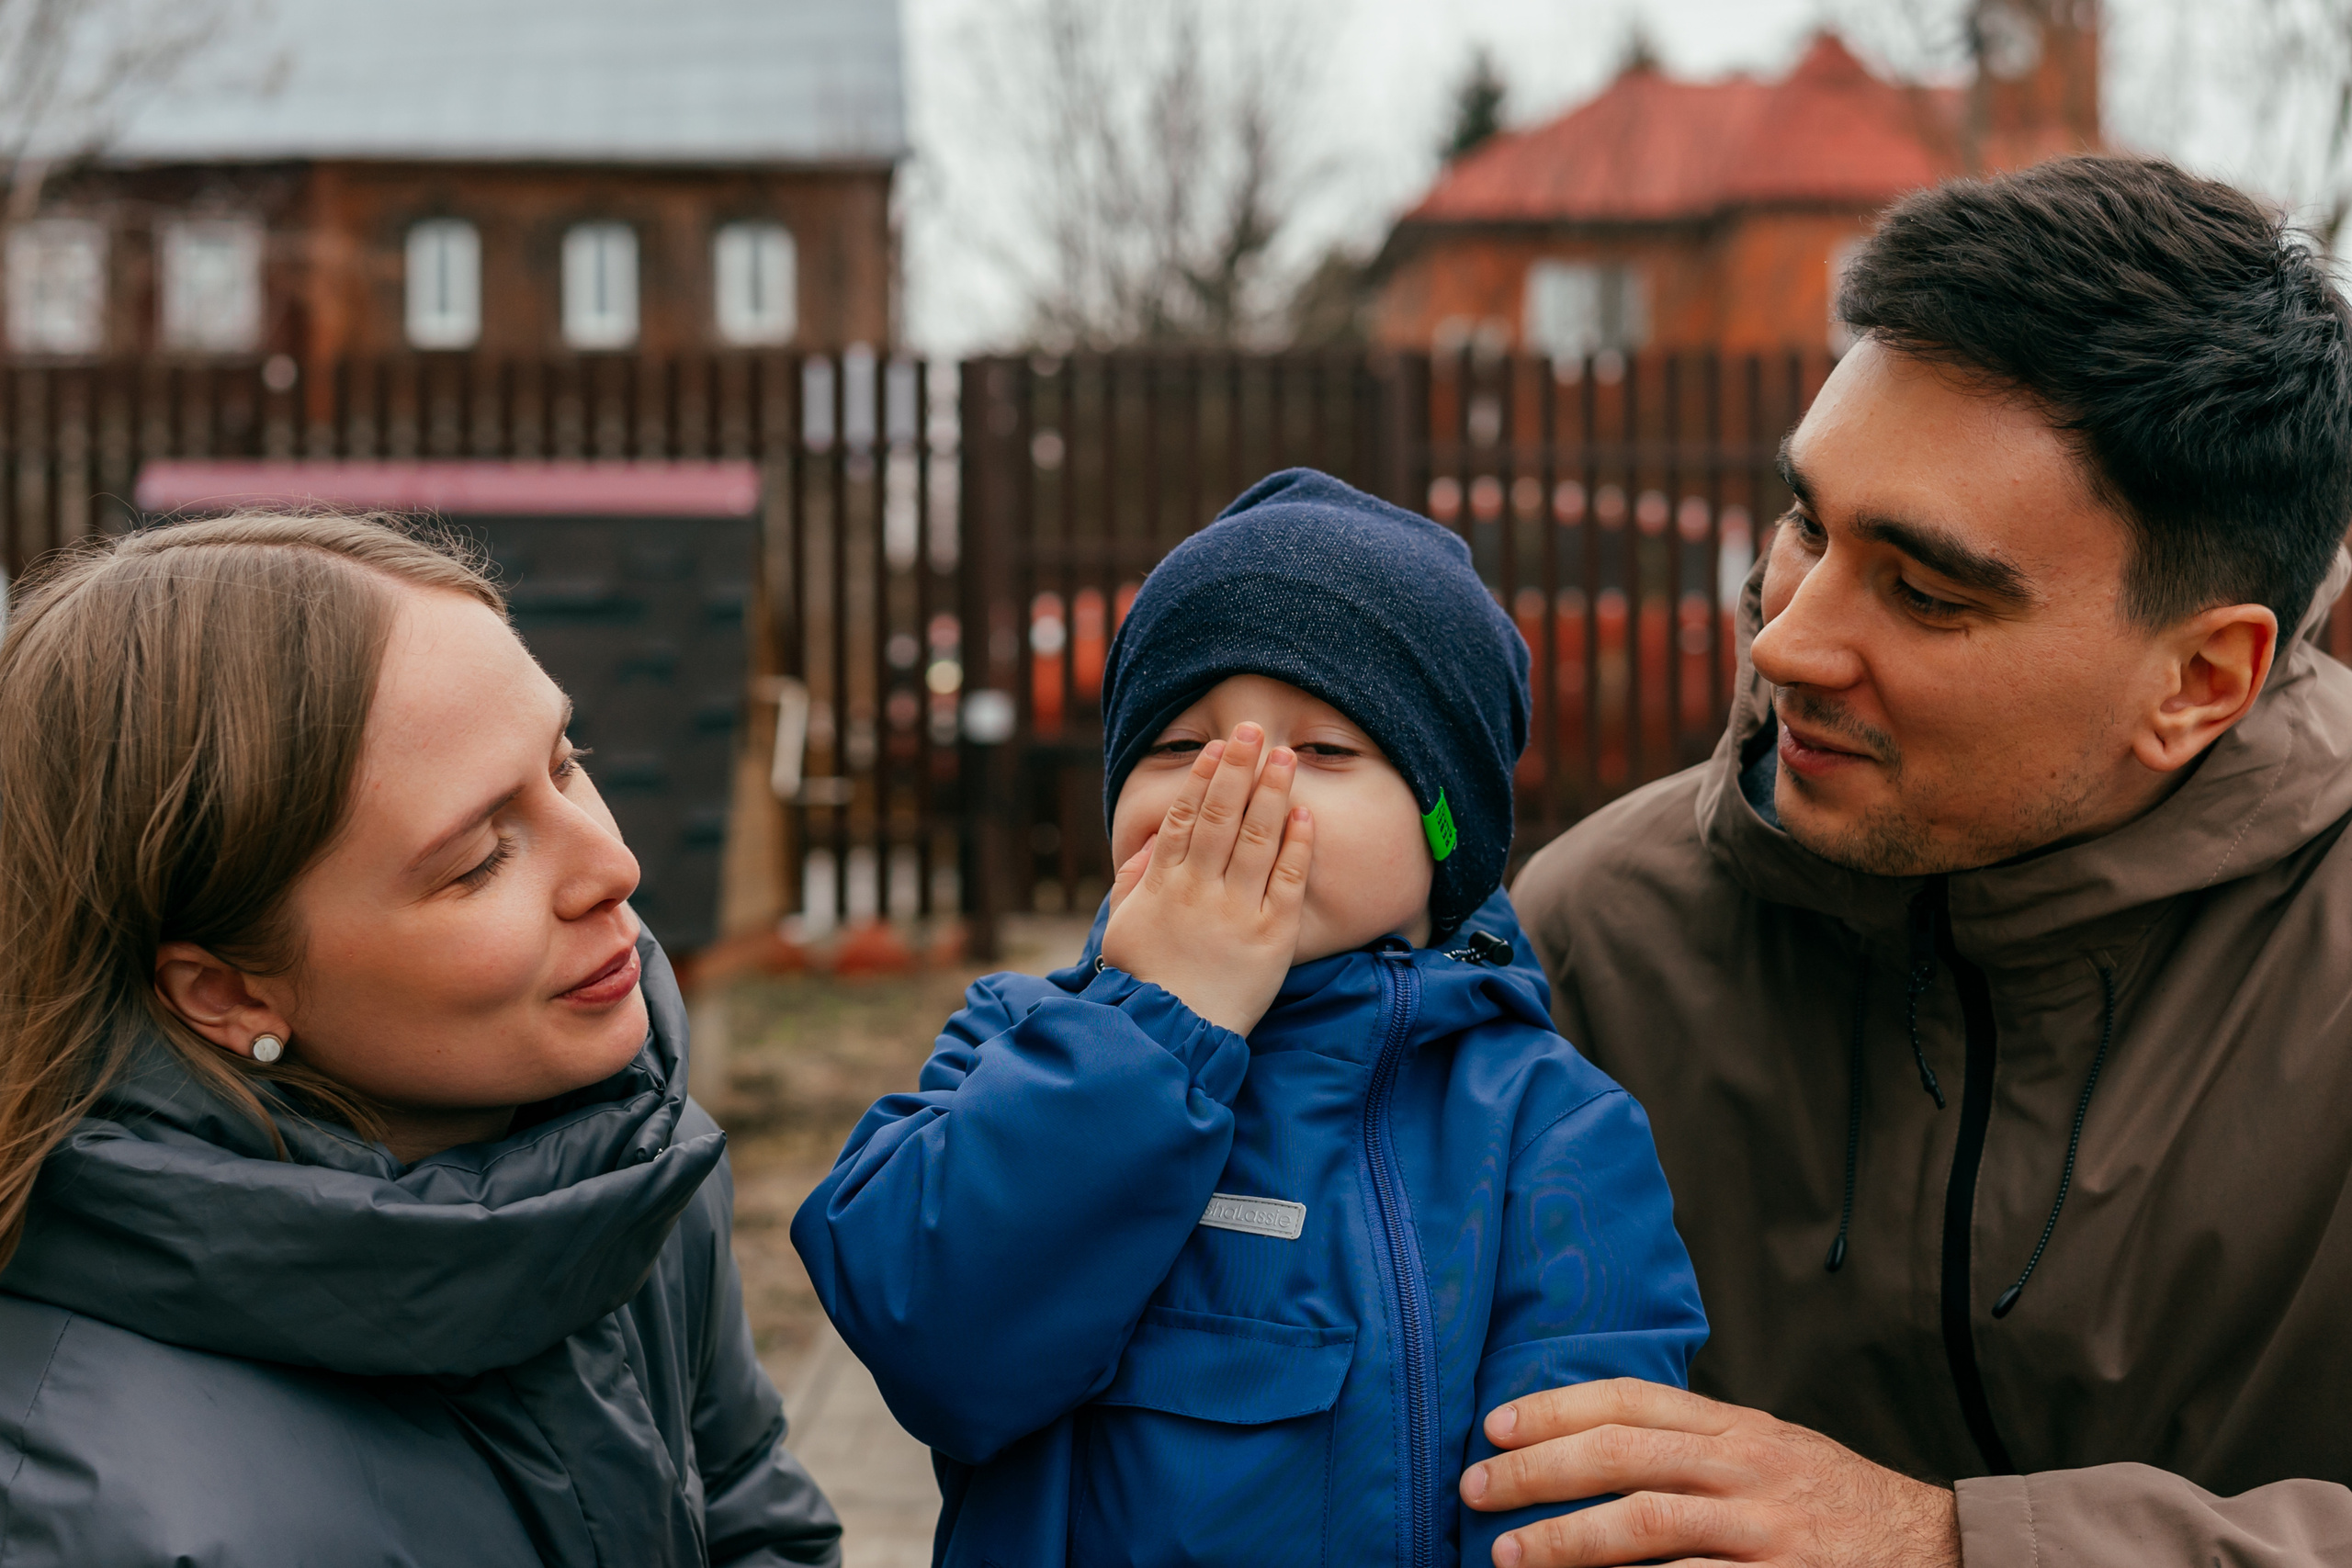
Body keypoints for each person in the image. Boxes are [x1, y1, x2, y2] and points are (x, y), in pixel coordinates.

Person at [1479, 155, 2352, 1567]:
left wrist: (1951, 1543)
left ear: (2200, 676)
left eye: (1927, 591)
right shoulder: (1590, 936)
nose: (1784, 642)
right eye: (1807, 526)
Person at [791, 468, 1709, 1568]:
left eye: (1323, 751)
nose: (1234, 788)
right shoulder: (1015, 1039)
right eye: (1177, 748)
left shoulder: (1549, 1129)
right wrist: (1155, 1021)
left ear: (1439, 840)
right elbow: (940, 1348)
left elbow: (1572, 1497)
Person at [0, 514, 841, 1567]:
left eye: (568, 762)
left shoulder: (625, 1171)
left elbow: (753, 1519)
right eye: (481, 857)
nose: (613, 866)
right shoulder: (99, 1515)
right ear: (225, 991)